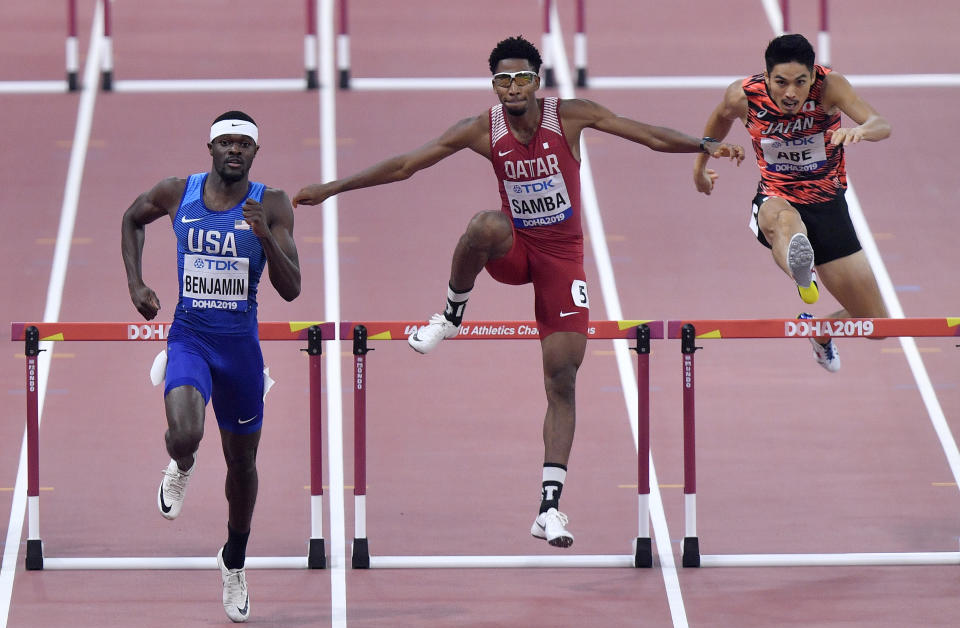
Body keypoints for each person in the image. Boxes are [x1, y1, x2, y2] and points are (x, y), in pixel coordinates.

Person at [293, 36, 743, 547]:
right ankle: (450, 315)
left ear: (537, 79)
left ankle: (549, 507)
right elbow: (405, 165)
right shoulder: (480, 130)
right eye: (502, 80)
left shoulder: (571, 116)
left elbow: (646, 135)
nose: (512, 87)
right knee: (482, 224)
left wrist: (704, 145)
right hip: (515, 247)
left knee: (563, 377)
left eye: (521, 78)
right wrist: (332, 189)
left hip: (561, 261)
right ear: (494, 85)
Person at [120, 110, 301, 622]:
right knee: (184, 435)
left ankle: (234, 561)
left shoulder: (272, 203)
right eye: (226, 142)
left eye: (244, 144)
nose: (234, 150)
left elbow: (292, 290)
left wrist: (266, 236)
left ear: (255, 153)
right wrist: (135, 284)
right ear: (211, 147)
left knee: (242, 466)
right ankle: (180, 465)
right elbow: (132, 219)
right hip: (190, 339)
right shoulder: (179, 192)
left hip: (241, 352)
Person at [694, 33, 891, 372]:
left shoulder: (831, 86)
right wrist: (700, 167)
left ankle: (821, 331)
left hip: (828, 205)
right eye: (781, 82)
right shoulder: (743, 96)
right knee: (785, 223)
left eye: (800, 82)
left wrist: (862, 131)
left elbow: (881, 123)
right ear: (766, 77)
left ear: (813, 76)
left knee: (875, 324)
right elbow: (719, 121)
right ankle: (804, 277)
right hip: (777, 196)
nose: (790, 93)